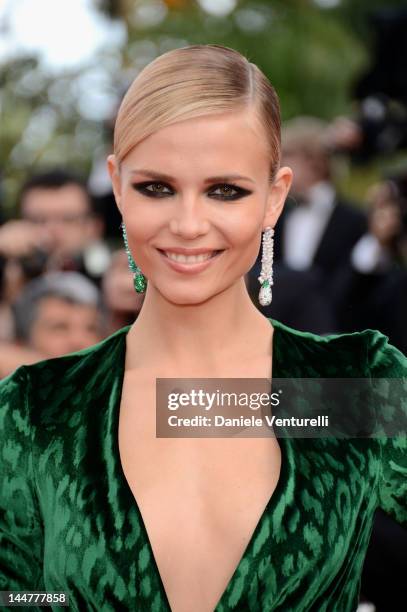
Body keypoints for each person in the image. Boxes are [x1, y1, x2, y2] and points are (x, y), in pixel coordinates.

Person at [0, 44, 405, 612]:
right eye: (156, 188)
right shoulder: (37, 408)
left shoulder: (349, 384)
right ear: (117, 185)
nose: (188, 224)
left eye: (225, 190)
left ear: (275, 197)